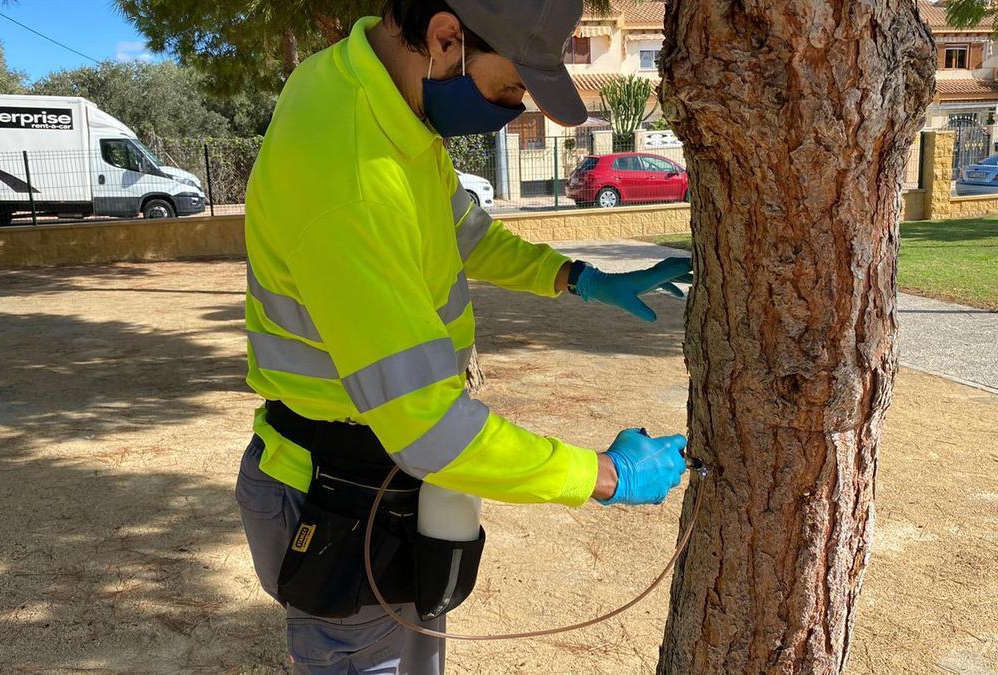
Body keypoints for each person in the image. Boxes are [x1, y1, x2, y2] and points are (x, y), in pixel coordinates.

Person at [235, 1, 693, 672]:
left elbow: (464, 231)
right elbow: (430, 428)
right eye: (509, 87)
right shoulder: (351, 175)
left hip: (397, 489)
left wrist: (576, 276)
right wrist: (602, 474)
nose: (513, 106)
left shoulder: (382, 100)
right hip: (336, 501)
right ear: (446, 38)